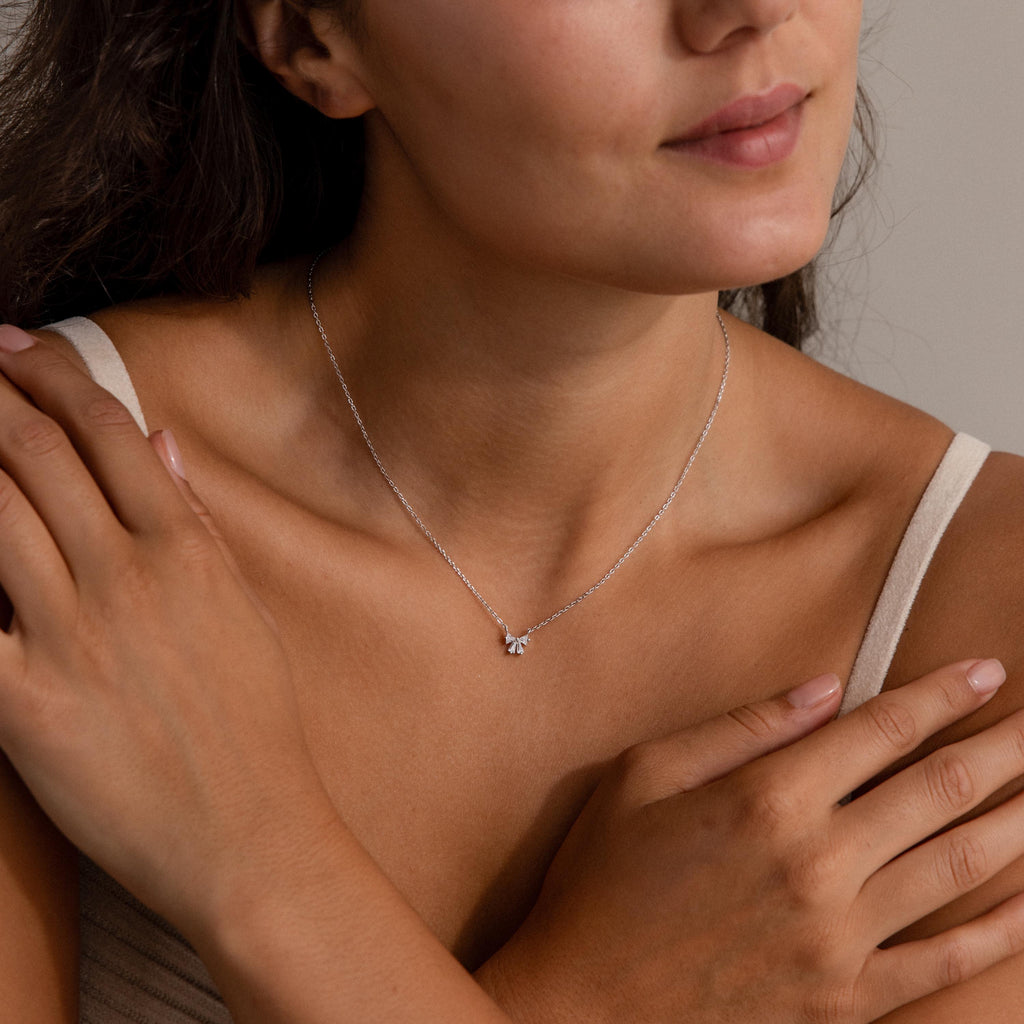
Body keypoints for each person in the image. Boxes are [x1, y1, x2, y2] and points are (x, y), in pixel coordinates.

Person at [1, 1, 1024, 1021]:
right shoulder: (43, 504)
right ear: (315, 38)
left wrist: (255, 856)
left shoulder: (988, 597)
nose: (749, 11)